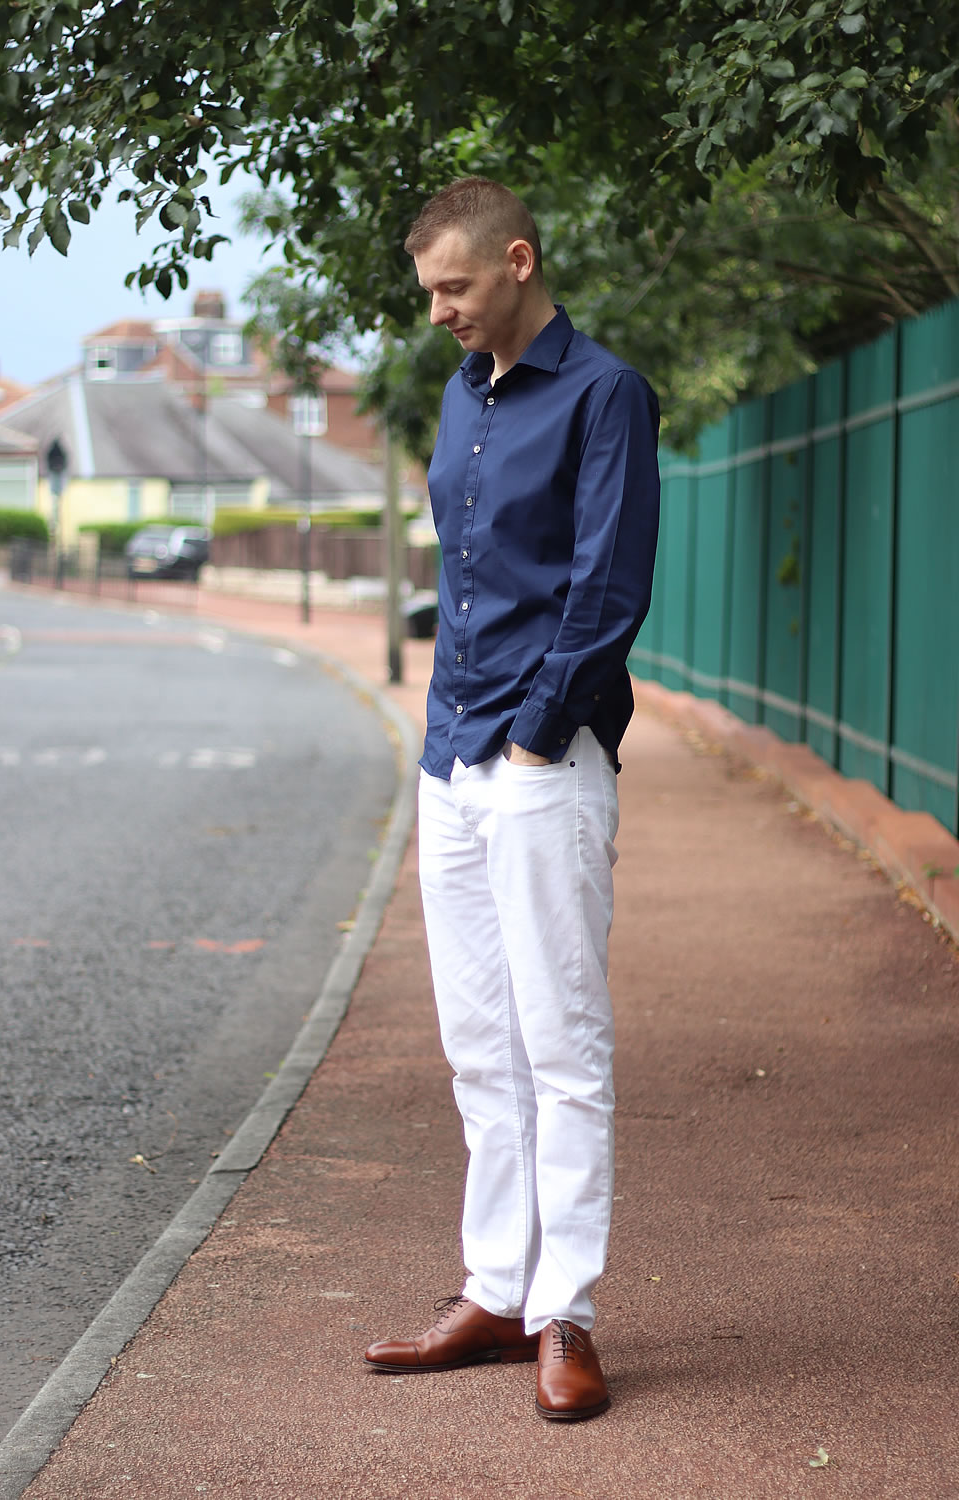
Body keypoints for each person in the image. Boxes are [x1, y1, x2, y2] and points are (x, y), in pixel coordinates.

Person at [363, 177, 660, 1421]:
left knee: (563, 1048)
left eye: (455, 287)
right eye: (429, 290)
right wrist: (447, 744)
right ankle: (494, 1289)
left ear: (519, 263)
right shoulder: (458, 393)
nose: (438, 310)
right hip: (452, 762)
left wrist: (535, 741)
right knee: (479, 1046)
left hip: (542, 761)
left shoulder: (603, 396)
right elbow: (471, 579)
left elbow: (604, 587)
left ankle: (567, 1313)